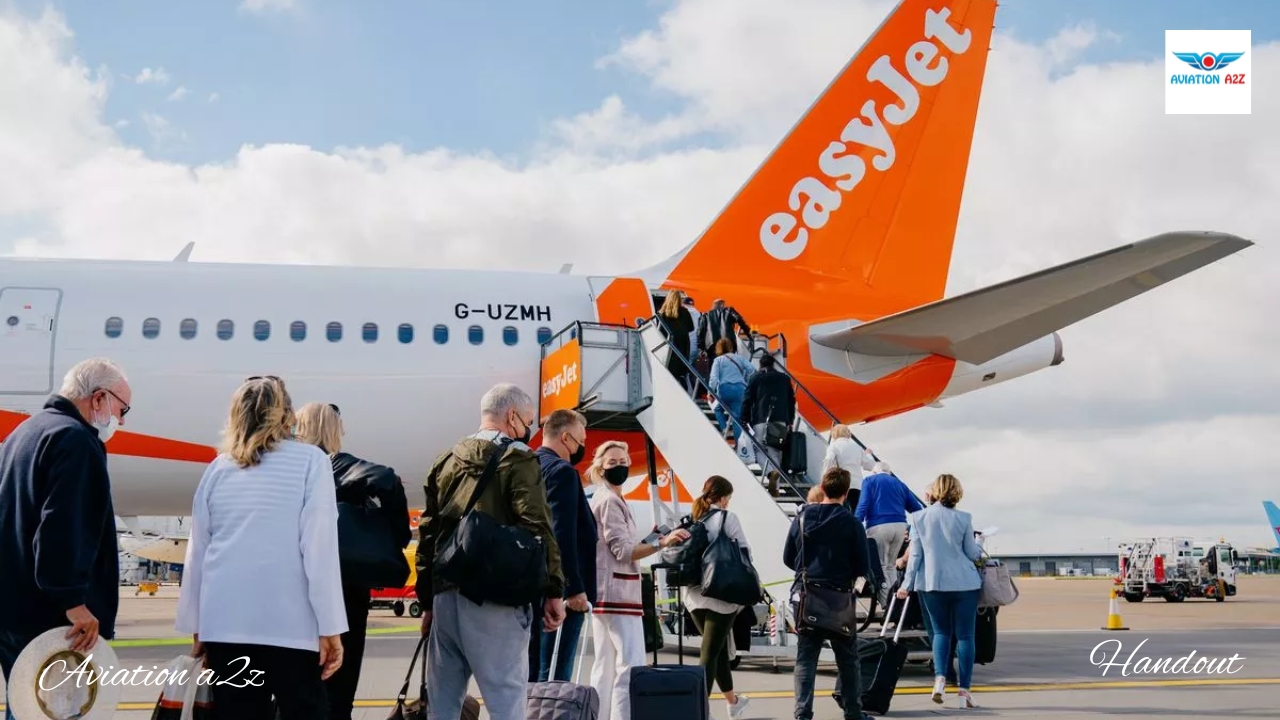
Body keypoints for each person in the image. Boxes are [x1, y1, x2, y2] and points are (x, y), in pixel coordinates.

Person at [176, 376, 347, 719]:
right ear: (286, 414)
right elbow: (319, 551)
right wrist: (330, 628)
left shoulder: (218, 469)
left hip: (226, 627)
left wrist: (198, 627)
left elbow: (198, 554)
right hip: (291, 628)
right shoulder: (311, 461)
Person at [415, 383, 566, 720]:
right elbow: (538, 526)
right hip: (495, 599)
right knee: (506, 699)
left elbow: (429, 534)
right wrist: (554, 589)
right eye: (528, 421)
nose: (530, 430)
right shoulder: (518, 458)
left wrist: (428, 600)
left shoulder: (446, 460)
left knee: (443, 702)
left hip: (446, 598)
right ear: (512, 416)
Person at [0, 358, 131, 720]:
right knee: (56, 711)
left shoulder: (23, 434)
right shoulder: (75, 441)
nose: (121, 420)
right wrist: (73, 601)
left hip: (13, 607)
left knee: (28, 707)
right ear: (99, 398)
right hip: (53, 616)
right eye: (122, 409)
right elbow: (62, 525)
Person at [294, 402, 412, 720]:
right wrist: (396, 535)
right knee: (339, 690)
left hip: (297, 588)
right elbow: (387, 479)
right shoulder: (337, 464)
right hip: (345, 591)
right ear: (334, 430)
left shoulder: (292, 468)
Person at [588, 440, 689, 720]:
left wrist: (653, 538)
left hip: (605, 593)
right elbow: (623, 550)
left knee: (605, 666)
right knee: (630, 666)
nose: (619, 467)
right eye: (612, 463)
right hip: (619, 593)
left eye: (623, 462)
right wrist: (663, 543)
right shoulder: (610, 501)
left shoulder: (605, 497)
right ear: (600, 467)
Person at [783, 468, 871, 720]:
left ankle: (802, 713)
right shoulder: (853, 523)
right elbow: (863, 567)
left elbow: (789, 557)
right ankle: (854, 712)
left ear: (822, 487)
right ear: (846, 493)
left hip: (808, 597)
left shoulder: (801, 518)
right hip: (839, 599)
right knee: (848, 660)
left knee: (806, 658)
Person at [897, 473, 983, 709]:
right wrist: (981, 543)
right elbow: (972, 554)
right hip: (965, 584)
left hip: (932, 584)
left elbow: (915, 557)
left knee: (940, 632)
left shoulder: (917, 518)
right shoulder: (964, 518)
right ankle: (964, 691)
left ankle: (939, 679)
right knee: (966, 636)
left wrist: (906, 585)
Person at [529, 409, 598, 682]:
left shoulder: (528, 464)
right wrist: (573, 588)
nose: (582, 447)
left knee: (534, 671)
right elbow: (561, 534)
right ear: (566, 437)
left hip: (533, 585)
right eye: (581, 441)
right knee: (556, 676)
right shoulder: (562, 472)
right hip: (561, 593)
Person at [682, 476, 752, 719]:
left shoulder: (694, 519)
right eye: (728, 498)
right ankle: (698, 710)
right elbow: (744, 551)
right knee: (710, 653)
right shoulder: (727, 518)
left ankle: (733, 703)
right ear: (722, 498)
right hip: (721, 596)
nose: (728, 503)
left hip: (694, 596)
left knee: (717, 650)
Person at [854, 461, 924, 605]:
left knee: (879, 566)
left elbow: (863, 504)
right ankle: (896, 604)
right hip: (900, 526)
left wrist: (855, 523)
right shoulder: (900, 484)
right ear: (890, 472)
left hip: (878, 526)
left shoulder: (869, 481)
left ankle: (887, 605)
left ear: (874, 472)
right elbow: (916, 509)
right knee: (890, 566)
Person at [740, 353, 795, 493]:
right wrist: (790, 420)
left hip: (760, 419)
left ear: (761, 364)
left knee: (758, 449)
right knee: (775, 453)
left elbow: (747, 400)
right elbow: (791, 401)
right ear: (773, 364)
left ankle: (770, 473)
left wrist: (743, 419)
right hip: (780, 420)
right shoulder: (784, 378)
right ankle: (776, 487)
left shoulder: (756, 378)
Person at [707, 337, 754, 442]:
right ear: (730, 347)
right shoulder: (740, 358)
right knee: (737, 419)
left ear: (718, 348)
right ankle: (739, 446)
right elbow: (752, 370)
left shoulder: (718, 360)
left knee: (717, 409)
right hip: (740, 390)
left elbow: (713, 378)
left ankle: (725, 429)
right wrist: (745, 380)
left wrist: (710, 392)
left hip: (725, 390)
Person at [821, 425, 874, 506]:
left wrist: (825, 477)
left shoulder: (834, 446)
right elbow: (870, 465)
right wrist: (869, 454)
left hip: (842, 485)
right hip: (858, 486)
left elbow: (828, 460)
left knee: (843, 513)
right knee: (855, 514)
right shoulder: (857, 447)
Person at [656, 290, 697, 395]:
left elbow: (659, 331)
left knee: (669, 370)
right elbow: (690, 328)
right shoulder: (685, 312)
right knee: (681, 371)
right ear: (679, 299)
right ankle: (683, 388)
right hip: (683, 345)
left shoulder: (662, 314)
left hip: (669, 345)